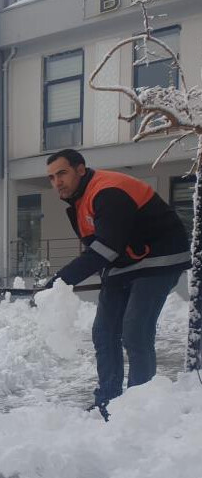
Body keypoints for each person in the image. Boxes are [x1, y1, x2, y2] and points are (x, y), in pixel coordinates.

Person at [46, 149, 188, 420]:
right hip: (123, 263)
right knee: (103, 332)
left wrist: (60, 280)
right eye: (52, 177)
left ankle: (139, 407)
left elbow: (105, 248)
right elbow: (103, 249)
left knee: (134, 331)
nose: (57, 182)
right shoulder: (80, 200)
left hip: (159, 258)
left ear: (80, 169)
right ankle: (108, 400)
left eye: (62, 173)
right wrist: (61, 282)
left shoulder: (108, 191)